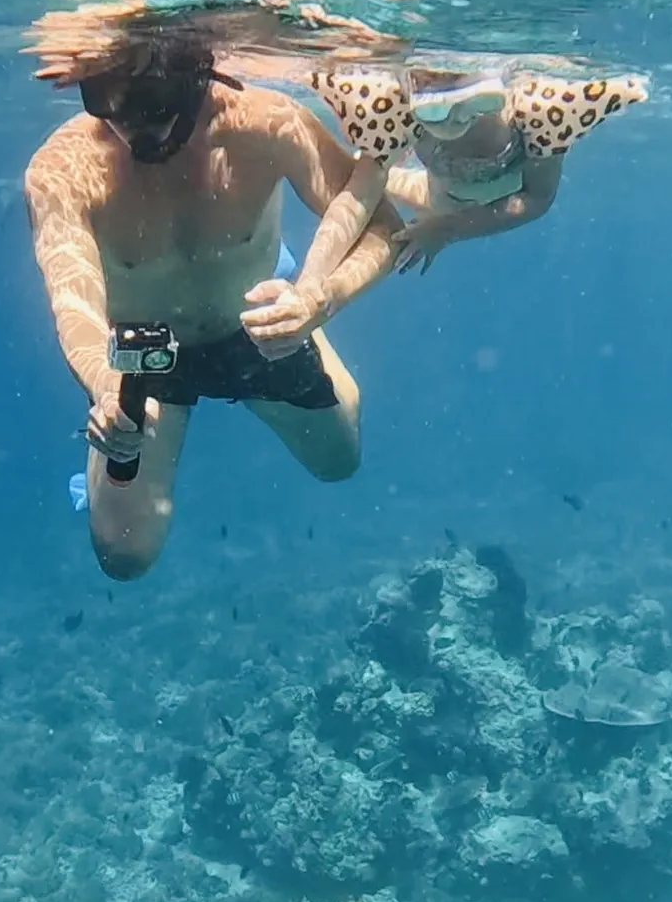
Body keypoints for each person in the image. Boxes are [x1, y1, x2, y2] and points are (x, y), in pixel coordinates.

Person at [24, 32, 402, 580]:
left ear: (196, 78)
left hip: (254, 323)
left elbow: (383, 227)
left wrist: (320, 300)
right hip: (142, 354)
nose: (132, 131)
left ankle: (291, 296)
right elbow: (73, 302)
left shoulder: (267, 123)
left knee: (339, 462)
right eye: (106, 107)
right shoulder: (63, 169)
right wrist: (104, 385)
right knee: (124, 555)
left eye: (152, 107)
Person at [308, 63, 648, 274]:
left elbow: (538, 198)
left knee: (377, 179)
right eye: (436, 108)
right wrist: (312, 283)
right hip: (435, 196)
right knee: (363, 174)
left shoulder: (537, 114)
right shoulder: (393, 108)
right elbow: (359, 194)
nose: (456, 118)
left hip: (448, 208)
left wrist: (447, 229)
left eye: (476, 102)